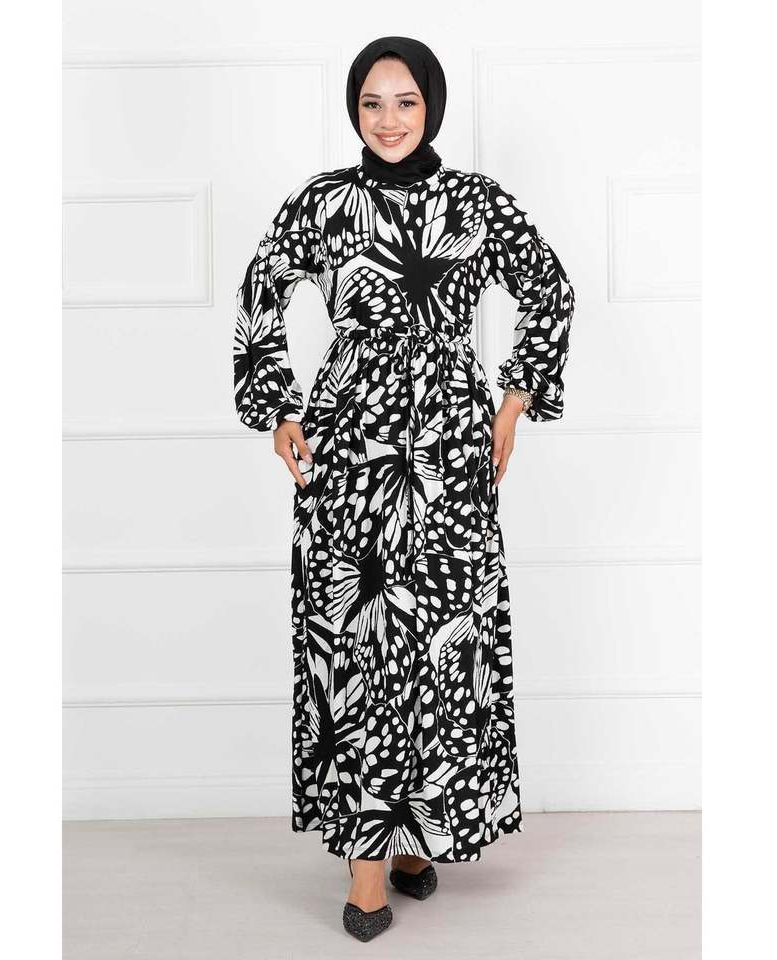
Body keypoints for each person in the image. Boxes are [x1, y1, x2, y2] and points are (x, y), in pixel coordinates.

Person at [233, 35, 575, 942]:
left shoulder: (476, 201)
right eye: (371, 102)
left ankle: (421, 835)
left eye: (406, 101)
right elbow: (260, 291)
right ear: (354, 109)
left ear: (433, 106)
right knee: (357, 639)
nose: (387, 120)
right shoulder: (322, 202)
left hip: (451, 450)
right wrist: (278, 407)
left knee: (441, 637)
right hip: (350, 445)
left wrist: (513, 401)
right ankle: (367, 868)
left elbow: (550, 290)